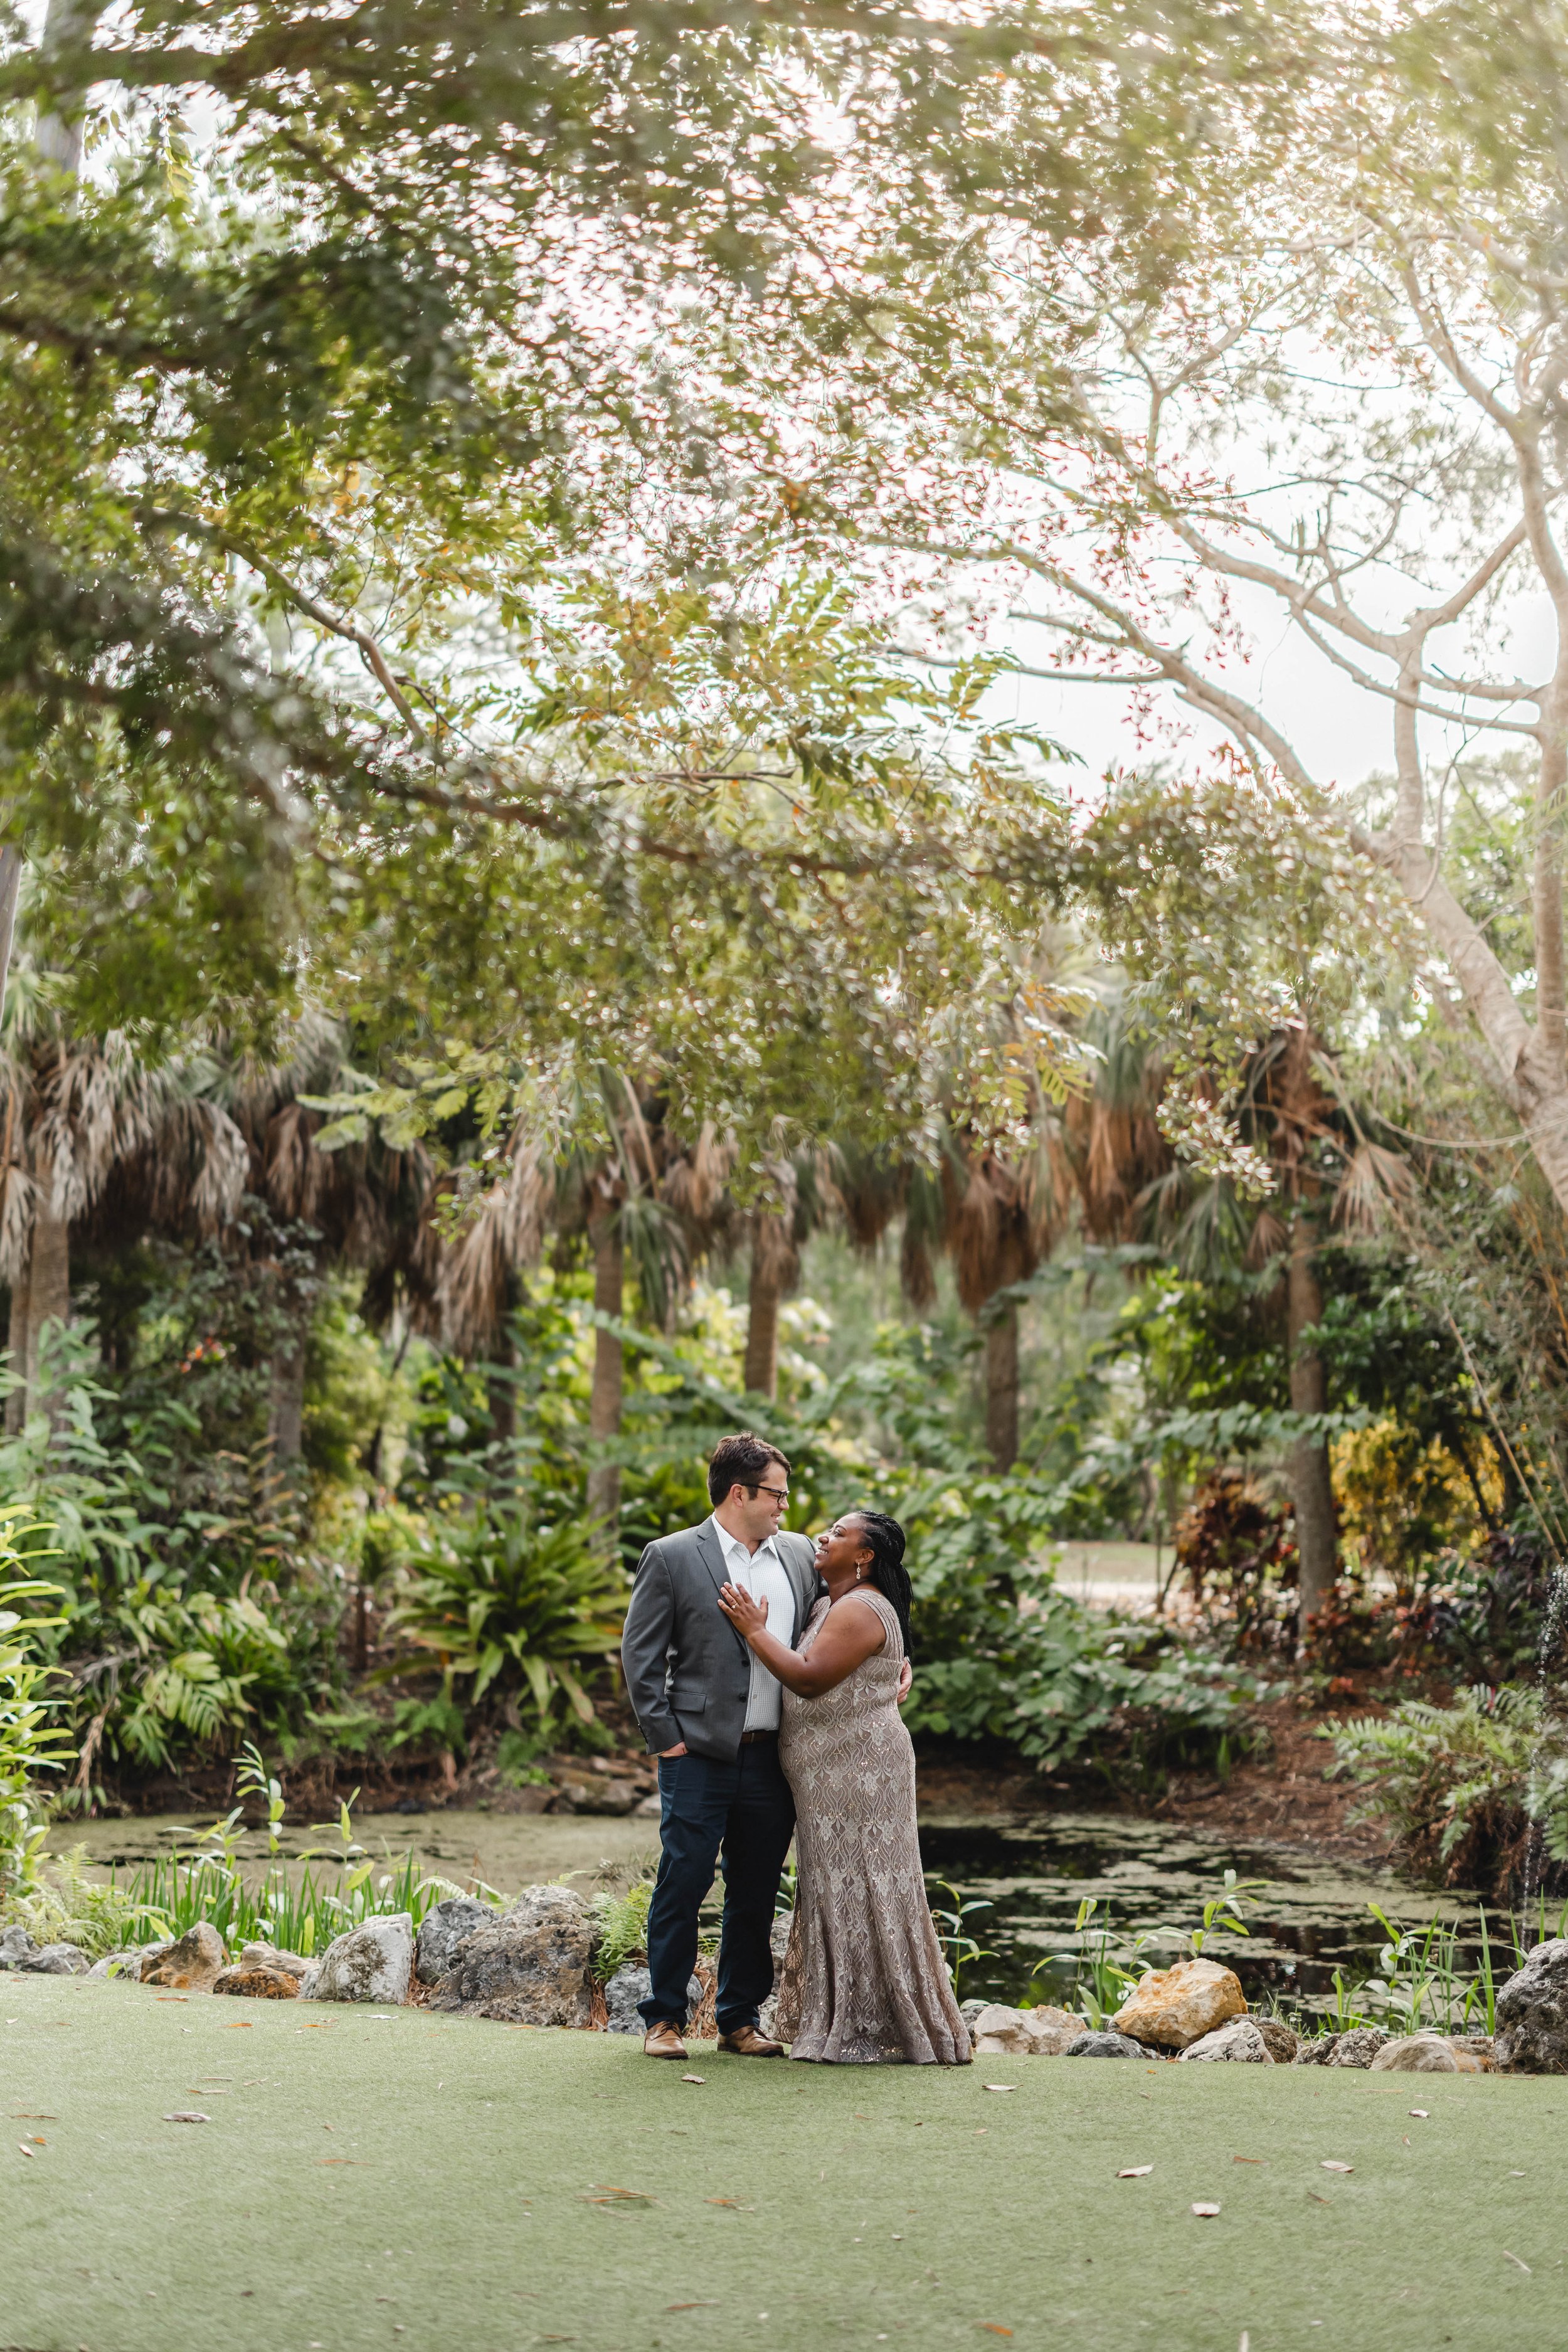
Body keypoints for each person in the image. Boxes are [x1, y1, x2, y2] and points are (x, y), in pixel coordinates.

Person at [621, 1433, 909, 2060]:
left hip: (775, 1756)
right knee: (683, 1880)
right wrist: (665, 1741)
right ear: (738, 1494)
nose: (785, 1505)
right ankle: (664, 2019)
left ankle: (738, 2021)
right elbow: (639, 1658)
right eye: (776, 1494)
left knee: (754, 1890)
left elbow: (847, 1615)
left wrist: (896, 1661)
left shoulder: (799, 1556)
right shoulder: (671, 1557)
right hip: (696, 1754)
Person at [716, 1508, 970, 2065]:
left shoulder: (859, 1607)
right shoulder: (830, 1600)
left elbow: (808, 1679)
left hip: (859, 1773)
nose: (823, 1536)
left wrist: (754, 1630)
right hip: (823, 1775)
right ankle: (848, 2018)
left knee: (867, 1888)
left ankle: (877, 2024)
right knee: (839, 1889)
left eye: (839, 1533)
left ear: (865, 1557)